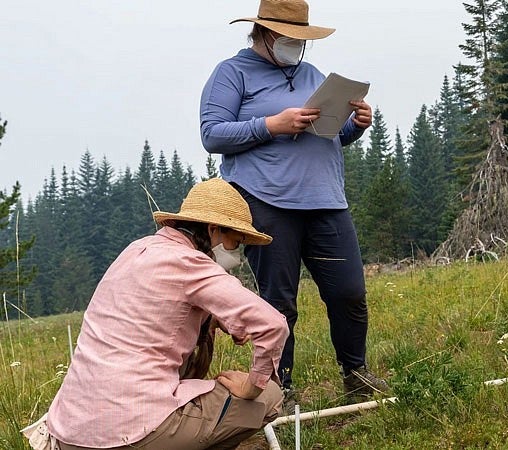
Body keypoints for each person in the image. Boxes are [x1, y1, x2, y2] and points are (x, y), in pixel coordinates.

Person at [199, 0, 388, 403]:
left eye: (301, 39)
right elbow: (212, 134)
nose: (295, 46)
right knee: (279, 301)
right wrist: (272, 125)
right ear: (263, 33)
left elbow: (329, 135)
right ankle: (278, 390)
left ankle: (356, 374)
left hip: (326, 200)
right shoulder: (232, 73)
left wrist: (354, 126)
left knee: (349, 291)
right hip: (266, 201)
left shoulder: (313, 75)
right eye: (287, 38)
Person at [45, 178, 290, 449]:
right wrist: (251, 387)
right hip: (131, 430)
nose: (237, 253)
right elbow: (272, 325)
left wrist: (213, 317)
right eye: (236, 241)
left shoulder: (136, 249)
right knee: (269, 395)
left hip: (70, 430)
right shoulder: (191, 263)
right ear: (214, 230)